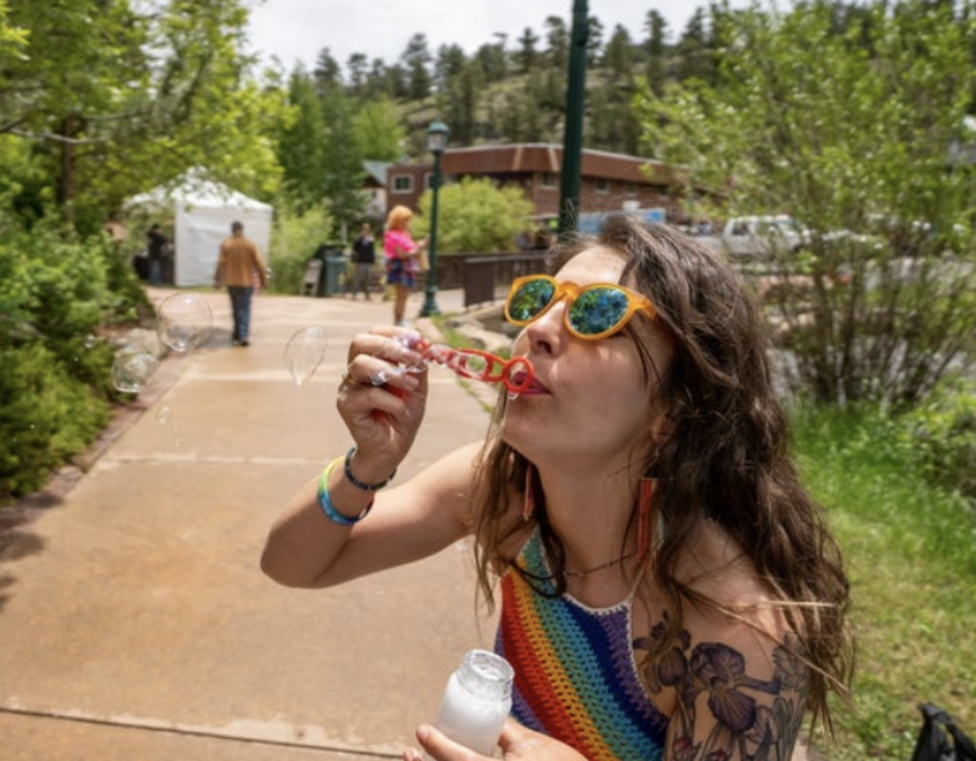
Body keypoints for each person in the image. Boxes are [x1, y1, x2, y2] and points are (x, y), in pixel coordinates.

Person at [260, 217, 853, 761]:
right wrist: (369, 465)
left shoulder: (735, 630)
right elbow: (293, 564)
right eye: (541, 300)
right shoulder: (505, 488)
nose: (538, 330)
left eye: (596, 314)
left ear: (673, 409)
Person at [214, 220, 268, 347]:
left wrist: (218, 280)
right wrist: (263, 280)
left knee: (235, 309)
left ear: (232, 230)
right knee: (244, 309)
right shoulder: (250, 245)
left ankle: (237, 335)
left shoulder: (227, 244)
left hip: (232, 282)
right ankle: (242, 335)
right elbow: (260, 264)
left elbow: (221, 263)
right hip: (246, 282)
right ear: (242, 230)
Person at [382, 205, 427, 326]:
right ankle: (398, 321)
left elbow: (408, 251)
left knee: (404, 297)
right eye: (405, 220)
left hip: (406, 268)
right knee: (400, 297)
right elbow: (401, 254)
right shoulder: (392, 235)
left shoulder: (405, 234)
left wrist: (417, 248)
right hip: (399, 267)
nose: (408, 223)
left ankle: (400, 320)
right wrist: (419, 249)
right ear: (398, 220)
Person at [350, 221, 380, 301]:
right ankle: (354, 294)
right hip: (360, 261)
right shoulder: (358, 240)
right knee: (358, 278)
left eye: (367, 229)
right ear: (362, 230)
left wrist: (374, 261)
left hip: (368, 262)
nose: (366, 231)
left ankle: (367, 295)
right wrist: (353, 261)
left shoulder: (371, 240)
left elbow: (372, 252)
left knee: (368, 279)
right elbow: (354, 251)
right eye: (364, 229)